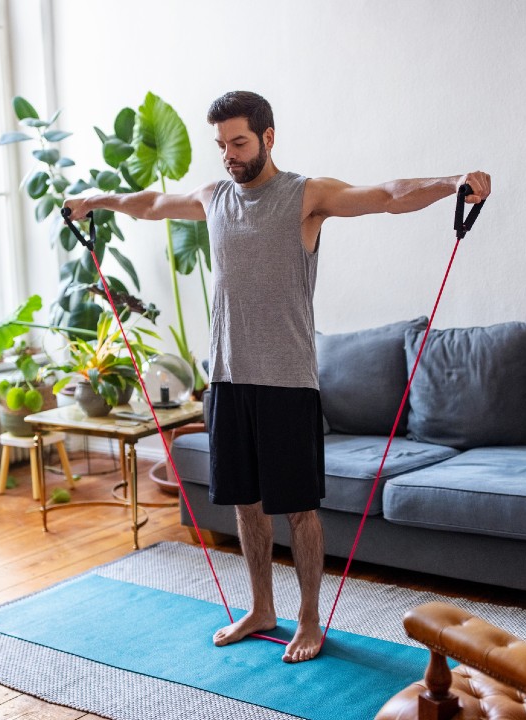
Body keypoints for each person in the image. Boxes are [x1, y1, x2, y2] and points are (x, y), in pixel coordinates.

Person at [64, 90, 490, 663]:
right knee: (244, 504)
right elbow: (151, 202)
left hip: (288, 382)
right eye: (221, 145)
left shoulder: (305, 196)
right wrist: (97, 199)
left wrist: (451, 183)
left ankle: (310, 618)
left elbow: (388, 196)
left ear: (268, 137)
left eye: (238, 142)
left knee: (298, 509)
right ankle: (262, 608)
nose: (228, 155)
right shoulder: (214, 197)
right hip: (228, 380)